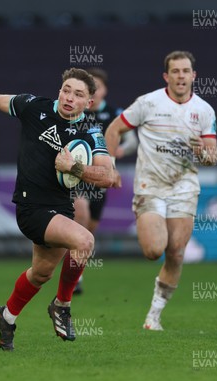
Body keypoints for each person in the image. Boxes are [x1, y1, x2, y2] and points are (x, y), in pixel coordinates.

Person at [0, 68, 114, 350]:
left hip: (60, 210)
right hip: (31, 208)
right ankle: (62, 306)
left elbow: (108, 177)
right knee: (85, 240)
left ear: (89, 102)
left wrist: (74, 168)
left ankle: (7, 316)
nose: (69, 98)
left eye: (78, 95)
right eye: (66, 90)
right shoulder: (34, 107)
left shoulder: (90, 132)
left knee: (41, 273)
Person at [105, 51, 217, 331]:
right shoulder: (148, 103)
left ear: (194, 76)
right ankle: (147, 220)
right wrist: (109, 166)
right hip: (150, 184)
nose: (181, 76)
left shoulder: (204, 111)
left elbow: (212, 156)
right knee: (154, 250)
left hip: (184, 185)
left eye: (186, 71)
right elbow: (113, 129)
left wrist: (203, 152)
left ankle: (154, 316)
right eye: (175, 71)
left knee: (176, 252)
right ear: (166, 76)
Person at [67, 67, 138, 294]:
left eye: (98, 87)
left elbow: (132, 141)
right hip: (77, 174)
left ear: (105, 90)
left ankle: (77, 271)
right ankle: (73, 279)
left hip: (101, 178)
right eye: (91, 87)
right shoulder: (74, 112)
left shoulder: (114, 114)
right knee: (81, 212)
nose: (95, 92)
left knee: (90, 228)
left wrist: (118, 152)